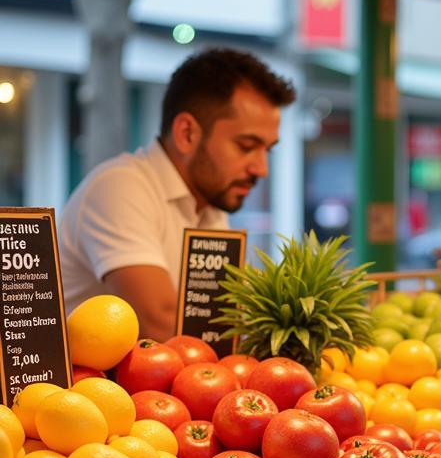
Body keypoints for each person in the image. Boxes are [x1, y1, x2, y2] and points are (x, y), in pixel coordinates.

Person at [59, 48, 296, 340]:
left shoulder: (210, 206)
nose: (262, 169)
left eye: (268, 150)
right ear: (187, 134)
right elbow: (161, 325)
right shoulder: (119, 187)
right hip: (83, 386)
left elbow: (219, 323)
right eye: (246, 146)